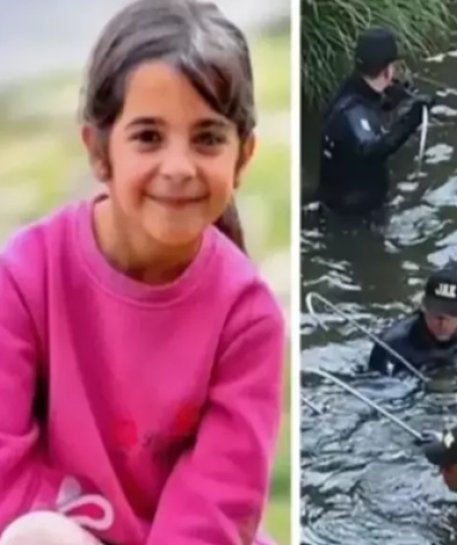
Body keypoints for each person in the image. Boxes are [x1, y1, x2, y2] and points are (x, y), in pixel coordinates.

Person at [0, 2, 285, 544]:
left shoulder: (248, 319)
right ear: (99, 151)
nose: (178, 167)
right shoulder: (23, 276)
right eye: (149, 137)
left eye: (207, 138)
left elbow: (215, 515)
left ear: (243, 156)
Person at [317, 26, 435, 215]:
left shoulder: (350, 91)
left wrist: (392, 100)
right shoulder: (351, 112)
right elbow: (373, 149)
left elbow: (367, 109)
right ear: (387, 71)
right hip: (355, 216)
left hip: (341, 199)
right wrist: (414, 118)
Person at [368, 269, 457, 375]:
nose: (442, 323)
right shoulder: (391, 346)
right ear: (423, 306)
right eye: (436, 312)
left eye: (451, 312)